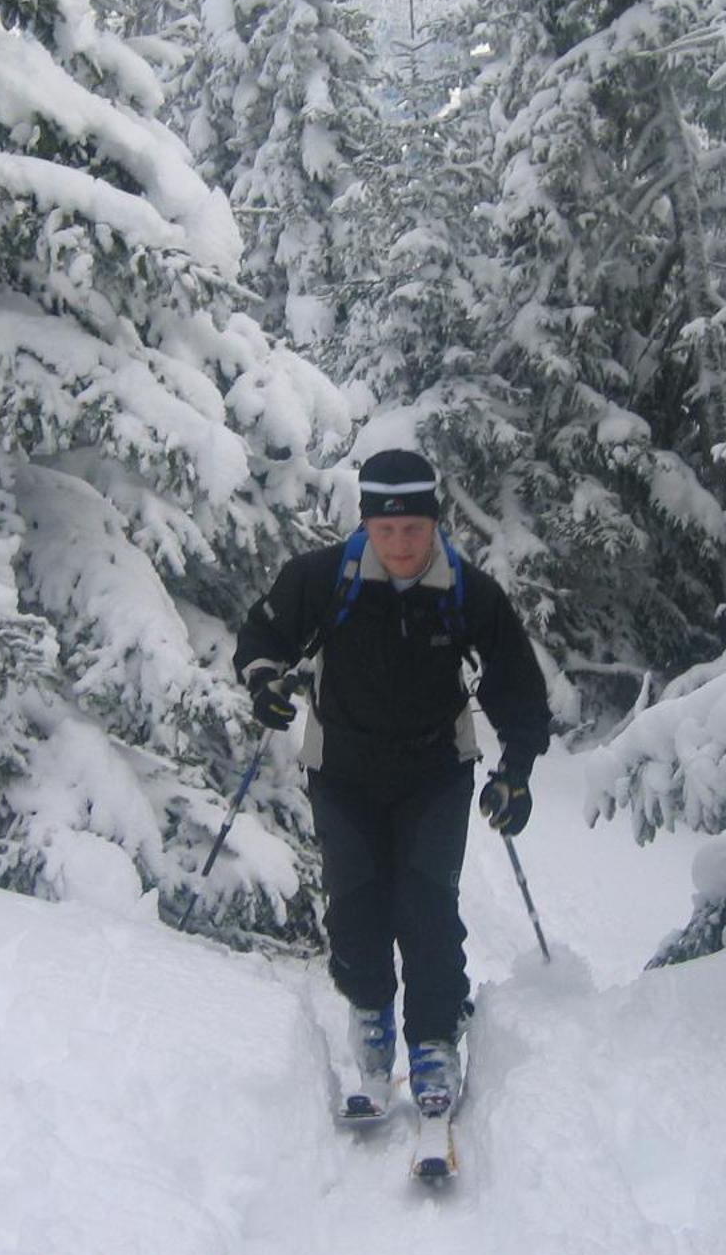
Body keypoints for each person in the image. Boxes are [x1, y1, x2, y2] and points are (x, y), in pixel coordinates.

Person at [233, 448, 552, 1116]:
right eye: (386, 529)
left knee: (427, 907)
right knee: (355, 911)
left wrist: (515, 774)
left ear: (434, 522)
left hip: (435, 774)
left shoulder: (466, 591)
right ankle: (372, 1016)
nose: (401, 543)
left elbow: (516, 685)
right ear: (367, 523)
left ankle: (434, 1039)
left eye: (414, 528)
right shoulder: (324, 580)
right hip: (343, 774)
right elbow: (262, 638)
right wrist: (264, 685)